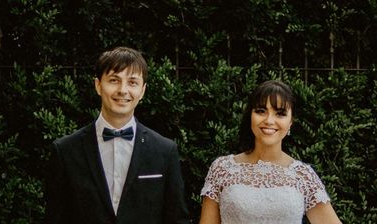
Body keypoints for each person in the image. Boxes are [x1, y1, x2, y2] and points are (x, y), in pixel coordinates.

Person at [45, 46, 189, 224]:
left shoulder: (165, 151)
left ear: (142, 90)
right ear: (98, 85)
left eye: (132, 82)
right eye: (114, 80)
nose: (123, 90)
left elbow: (176, 219)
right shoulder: (65, 151)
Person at [199, 80, 342, 224]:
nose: (269, 120)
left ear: (291, 122)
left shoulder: (303, 176)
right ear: (250, 116)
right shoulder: (222, 169)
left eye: (280, 113)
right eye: (261, 111)